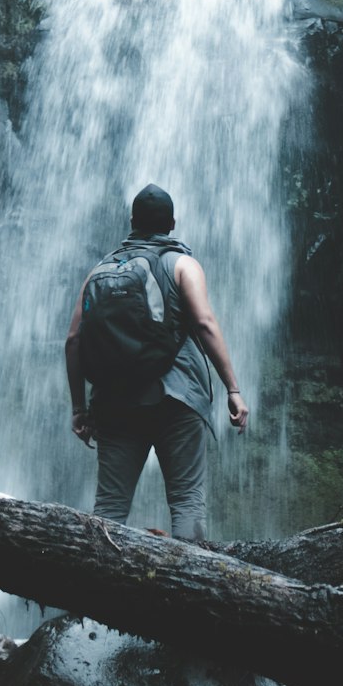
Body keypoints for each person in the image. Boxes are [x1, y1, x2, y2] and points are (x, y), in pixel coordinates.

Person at [64, 184, 248, 542]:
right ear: (173, 224)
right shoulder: (183, 265)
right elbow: (205, 324)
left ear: (132, 221)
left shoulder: (99, 271)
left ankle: (98, 590)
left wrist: (79, 408)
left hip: (115, 403)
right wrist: (233, 389)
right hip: (177, 400)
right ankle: (189, 588)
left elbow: (73, 341)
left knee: (110, 508)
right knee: (187, 501)